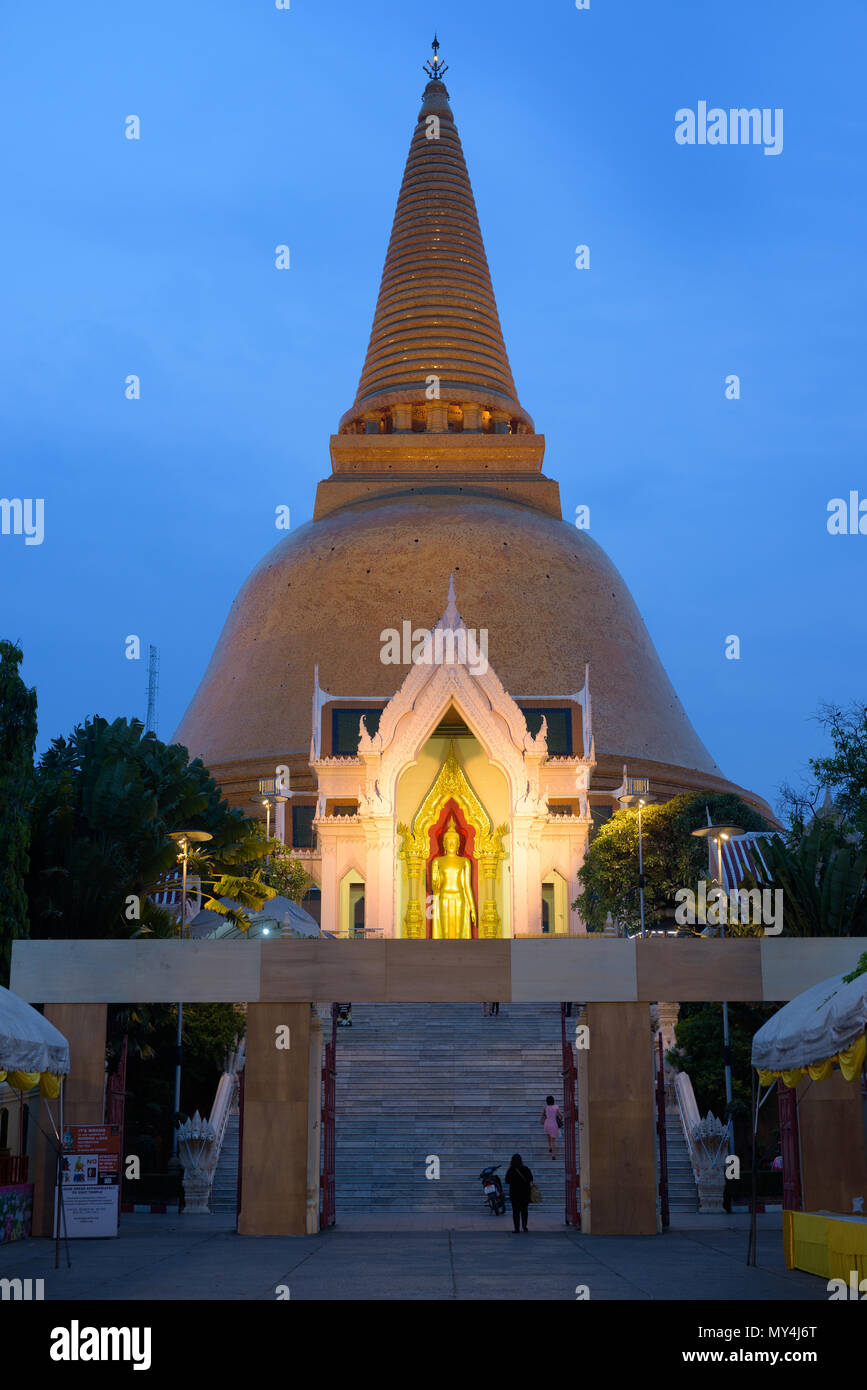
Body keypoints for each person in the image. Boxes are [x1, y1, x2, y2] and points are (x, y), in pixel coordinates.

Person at [505, 1152, 533, 1232]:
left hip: (515, 1193)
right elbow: (530, 1178)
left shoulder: (511, 1170)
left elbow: (507, 1181)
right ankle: (524, 1226)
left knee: (515, 1211)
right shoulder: (525, 1169)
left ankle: (516, 1228)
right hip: (525, 1193)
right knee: (524, 1210)